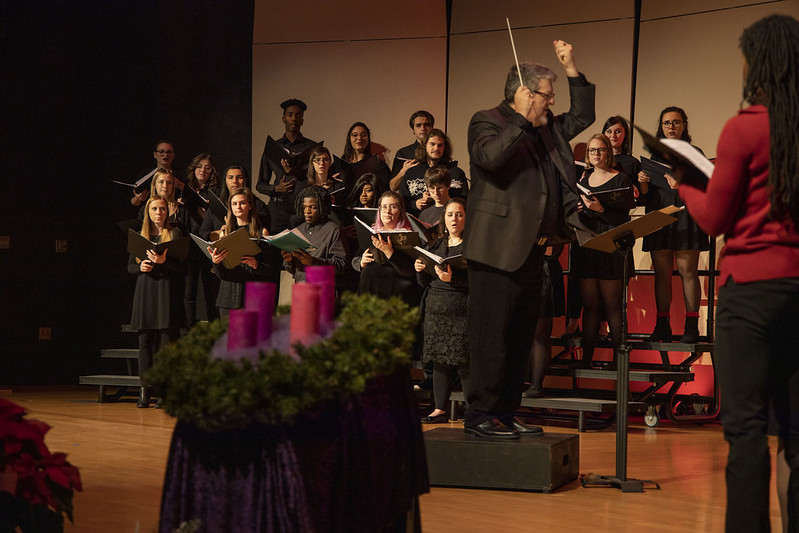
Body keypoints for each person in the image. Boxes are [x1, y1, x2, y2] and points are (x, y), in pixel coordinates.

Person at [676, 14, 799, 532]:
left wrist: (685, 182)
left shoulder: (745, 125)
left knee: (746, 431)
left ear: (757, 63)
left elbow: (716, 218)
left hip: (749, 294)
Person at [462, 40, 595, 439]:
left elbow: (584, 113)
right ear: (524, 93)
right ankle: (480, 414)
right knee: (492, 338)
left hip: (535, 252)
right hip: (496, 250)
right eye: (547, 95)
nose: (552, 103)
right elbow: (489, 160)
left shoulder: (548, 127)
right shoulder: (487, 120)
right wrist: (521, 118)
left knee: (520, 338)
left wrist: (571, 68)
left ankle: (504, 411)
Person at [638, 106, 708, 343]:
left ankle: (691, 326)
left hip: (687, 215)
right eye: (667, 123)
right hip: (659, 214)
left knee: (689, 272)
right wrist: (643, 183)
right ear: (661, 126)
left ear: (684, 125)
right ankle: (662, 325)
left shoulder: (695, 152)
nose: (671, 127)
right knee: (662, 274)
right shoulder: (654, 153)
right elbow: (645, 196)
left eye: (676, 122)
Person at [570, 134, 635, 368]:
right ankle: (586, 360)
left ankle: (621, 364)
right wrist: (580, 209)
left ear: (608, 152)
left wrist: (599, 209)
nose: (596, 154)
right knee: (590, 306)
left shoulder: (620, 179)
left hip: (610, 248)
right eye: (592, 151)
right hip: (587, 247)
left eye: (600, 150)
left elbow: (622, 220)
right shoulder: (583, 179)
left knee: (612, 305)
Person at [128, 195, 187, 408]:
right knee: (144, 343)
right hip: (145, 292)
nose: (159, 213)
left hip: (165, 291)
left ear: (167, 211)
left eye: (162, 209)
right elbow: (129, 267)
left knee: (165, 344)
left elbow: (182, 268)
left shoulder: (174, 233)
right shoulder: (140, 235)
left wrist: (163, 262)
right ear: (148, 212)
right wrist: (140, 267)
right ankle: (143, 390)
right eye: (154, 209)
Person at [414, 198, 469, 423]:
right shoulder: (435, 245)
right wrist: (419, 269)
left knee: (464, 361)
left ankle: (474, 409)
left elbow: (480, 283)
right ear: (443, 219)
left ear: (466, 218)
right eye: (450, 215)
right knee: (440, 360)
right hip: (436, 309)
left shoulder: (473, 246)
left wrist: (453, 279)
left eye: (459, 215)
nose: (454, 219)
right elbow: (423, 282)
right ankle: (439, 409)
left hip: (462, 308)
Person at [209, 188, 276, 319]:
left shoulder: (262, 232)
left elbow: (271, 269)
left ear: (250, 206)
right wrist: (215, 262)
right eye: (234, 204)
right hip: (228, 297)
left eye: (242, 203)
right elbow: (222, 274)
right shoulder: (225, 233)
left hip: (253, 296)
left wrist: (256, 264)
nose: (238, 207)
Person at [256, 99, 317, 233]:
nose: (294, 118)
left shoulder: (312, 148)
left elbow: (317, 181)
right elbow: (260, 185)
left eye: (298, 115)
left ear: (302, 120)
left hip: (301, 208)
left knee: (301, 249)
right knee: (274, 249)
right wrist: (277, 188)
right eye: (290, 115)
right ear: (284, 119)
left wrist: (297, 174)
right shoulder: (273, 148)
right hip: (276, 209)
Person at [353, 191, 418, 305]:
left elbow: (410, 271)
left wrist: (389, 252)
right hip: (369, 291)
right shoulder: (372, 232)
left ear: (400, 211)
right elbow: (355, 260)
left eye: (392, 207)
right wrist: (361, 261)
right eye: (384, 207)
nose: (387, 211)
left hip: (394, 294)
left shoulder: (407, 235)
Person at [281, 186, 347, 284]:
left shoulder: (333, 230)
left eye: (313, 207)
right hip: (301, 289)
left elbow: (341, 266)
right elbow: (293, 270)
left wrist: (314, 262)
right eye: (304, 207)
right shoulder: (298, 230)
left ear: (322, 207)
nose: (307, 211)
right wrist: (289, 261)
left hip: (322, 290)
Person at [183, 154, 220, 324]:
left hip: (206, 243)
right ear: (193, 168)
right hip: (188, 243)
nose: (203, 170)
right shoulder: (185, 189)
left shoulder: (215, 191)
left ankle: (214, 327)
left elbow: (214, 218)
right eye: (199, 166)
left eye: (207, 167)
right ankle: (188, 328)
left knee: (210, 288)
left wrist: (203, 209)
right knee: (189, 289)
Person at [397, 129, 468, 216]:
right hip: (418, 222)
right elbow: (401, 202)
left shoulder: (456, 173)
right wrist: (416, 204)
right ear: (424, 146)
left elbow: (465, 201)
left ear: (445, 147)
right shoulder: (411, 173)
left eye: (440, 145)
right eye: (432, 144)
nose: (436, 148)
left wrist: (441, 197)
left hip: (448, 222)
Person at [341, 122, 392, 190]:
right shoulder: (341, 164)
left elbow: (387, 189)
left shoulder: (378, 164)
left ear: (368, 138)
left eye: (363, 135)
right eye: (355, 135)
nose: (359, 138)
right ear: (349, 138)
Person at [390, 110, 434, 189]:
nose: (423, 128)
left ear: (432, 127)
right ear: (413, 129)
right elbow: (393, 187)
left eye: (426, 125)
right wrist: (402, 172)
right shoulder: (403, 153)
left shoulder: (438, 151)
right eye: (418, 125)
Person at [130, 140, 177, 208]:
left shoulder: (180, 175)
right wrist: (138, 198)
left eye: (169, 152)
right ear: (155, 154)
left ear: (173, 155)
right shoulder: (145, 174)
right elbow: (133, 202)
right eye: (161, 151)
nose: (166, 154)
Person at [603, 115, 642, 184]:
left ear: (625, 134)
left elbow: (642, 192)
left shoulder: (633, 163)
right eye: (609, 131)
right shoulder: (596, 158)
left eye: (618, 132)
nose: (613, 136)